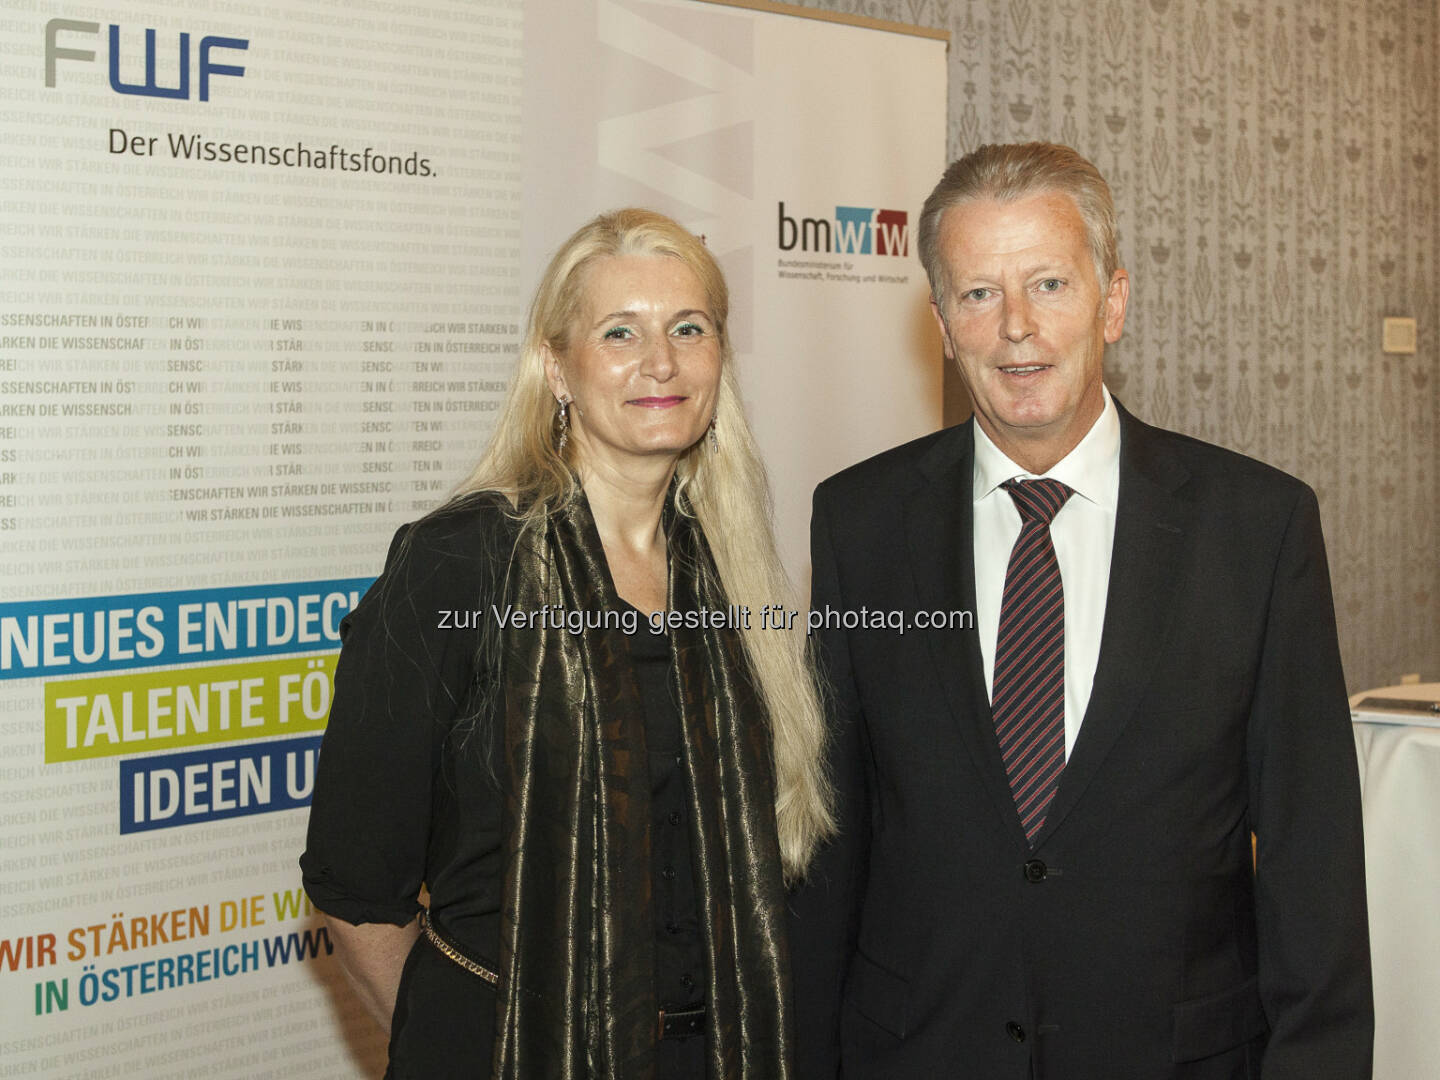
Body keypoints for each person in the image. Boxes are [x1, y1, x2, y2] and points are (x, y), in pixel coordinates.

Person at [788, 143, 1372, 1079]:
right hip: (920, 1050)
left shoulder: (1256, 527)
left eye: (1050, 283)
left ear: (1114, 303)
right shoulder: (860, 521)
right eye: (979, 294)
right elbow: (831, 836)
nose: (1017, 327)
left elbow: (1314, 863)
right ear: (941, 323)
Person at [301, 209, 832, 1079]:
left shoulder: (729, 566)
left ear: (718, 360)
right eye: (620, 331)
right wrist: (465, 1041)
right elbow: (357, 887)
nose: (660, 361)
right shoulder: (458, 562)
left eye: (687, 329)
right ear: (557, 367)